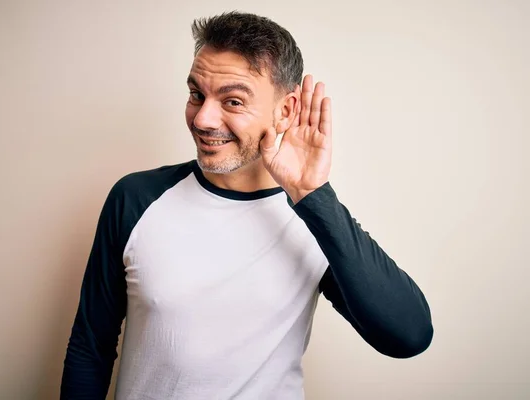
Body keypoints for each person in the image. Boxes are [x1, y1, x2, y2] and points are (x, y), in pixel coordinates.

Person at [60, 11, 433, 400]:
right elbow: (91, 346)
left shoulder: (314, 220)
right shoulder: (135, 198)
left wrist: (313, 194)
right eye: (196, 95)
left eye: (233, 101)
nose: (203, 119)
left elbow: (408, 335)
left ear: (286, 110)